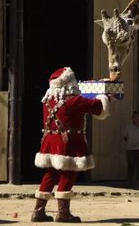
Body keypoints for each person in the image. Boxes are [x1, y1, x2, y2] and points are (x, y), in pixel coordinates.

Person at [31, 67, 110, 223]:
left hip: (49, 140)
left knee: (50, 174)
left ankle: (38, 211)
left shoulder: (47, 100)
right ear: (70, 82)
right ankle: (63, 213)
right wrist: (104, 95)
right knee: (68, 174)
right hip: (68, 141)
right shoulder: (75, 100)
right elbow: (99, 109)